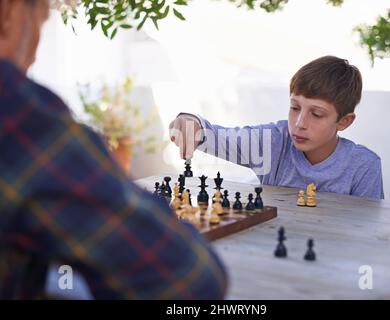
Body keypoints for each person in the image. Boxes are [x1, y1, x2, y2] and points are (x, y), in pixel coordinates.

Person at [0, 0, 227, 299]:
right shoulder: (17, 111)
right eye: (41, 22)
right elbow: (189, 279)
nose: (32, 58)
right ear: (8, 12)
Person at [170, 56, 384, 200]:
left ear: (344, 121)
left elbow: (368, 232)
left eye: (316, 114)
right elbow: (213, 135)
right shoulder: (272, 143)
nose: (300, 123)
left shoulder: (364, 167)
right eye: (294, 107)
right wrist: (189, 120)